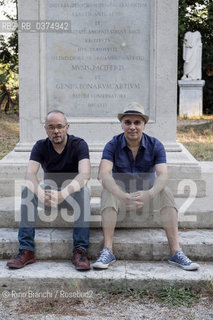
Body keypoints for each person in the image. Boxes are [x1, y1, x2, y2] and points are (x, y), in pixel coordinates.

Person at [93, 102, 199, 271]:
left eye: (137, 122)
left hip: (146, 199)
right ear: (122, 124)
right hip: (121, 200)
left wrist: (149, 194)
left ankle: (175, 251)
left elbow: (163, 175)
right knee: (108, 190)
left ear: (144, 124)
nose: (132, 127)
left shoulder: (155, 145)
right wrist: (122, 195)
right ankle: (108, 250)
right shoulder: (112, 144)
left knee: (165, 191)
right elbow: (103, 174)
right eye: (128, 122)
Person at [7, 110, 91, 271]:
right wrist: (39, 191)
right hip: (49, 196)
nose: (56, 131)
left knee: (83, 191)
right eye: (51, 127)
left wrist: (63, 193)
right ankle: (26, 250)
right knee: (28, 190)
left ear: (67, 127)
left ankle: (80, 251)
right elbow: (30, 173)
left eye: (60, 126)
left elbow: (85, 174)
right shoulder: (40, 146)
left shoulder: (79, 144)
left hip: (72, 196)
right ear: (46, 129)